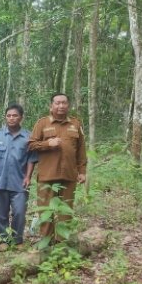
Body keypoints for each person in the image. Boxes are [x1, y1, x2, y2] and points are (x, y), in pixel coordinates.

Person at [28, 93, 87, 240]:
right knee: (46, 212)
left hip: (69, 175)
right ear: (51, 106)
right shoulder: (42, 123)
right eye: (57, 103)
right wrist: (48, 143)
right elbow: (31, 145)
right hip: (47, 176)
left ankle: (62, 244)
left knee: (65, 212)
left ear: (68, 105)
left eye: (64, 103)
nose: (61, 106)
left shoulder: (75, 124)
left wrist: (82, 171)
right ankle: (46, 244)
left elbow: (81, 150)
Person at [0, 104, 38, 250]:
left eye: (15, 115)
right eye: (9, 115)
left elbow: (31, 159)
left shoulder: (28, 137)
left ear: (21, 117)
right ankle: (3, 240)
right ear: (5, 117)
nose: (11, 118)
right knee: (0, 214)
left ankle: (18, 240)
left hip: (19, 182)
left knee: (19, 212)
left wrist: (28, 177)